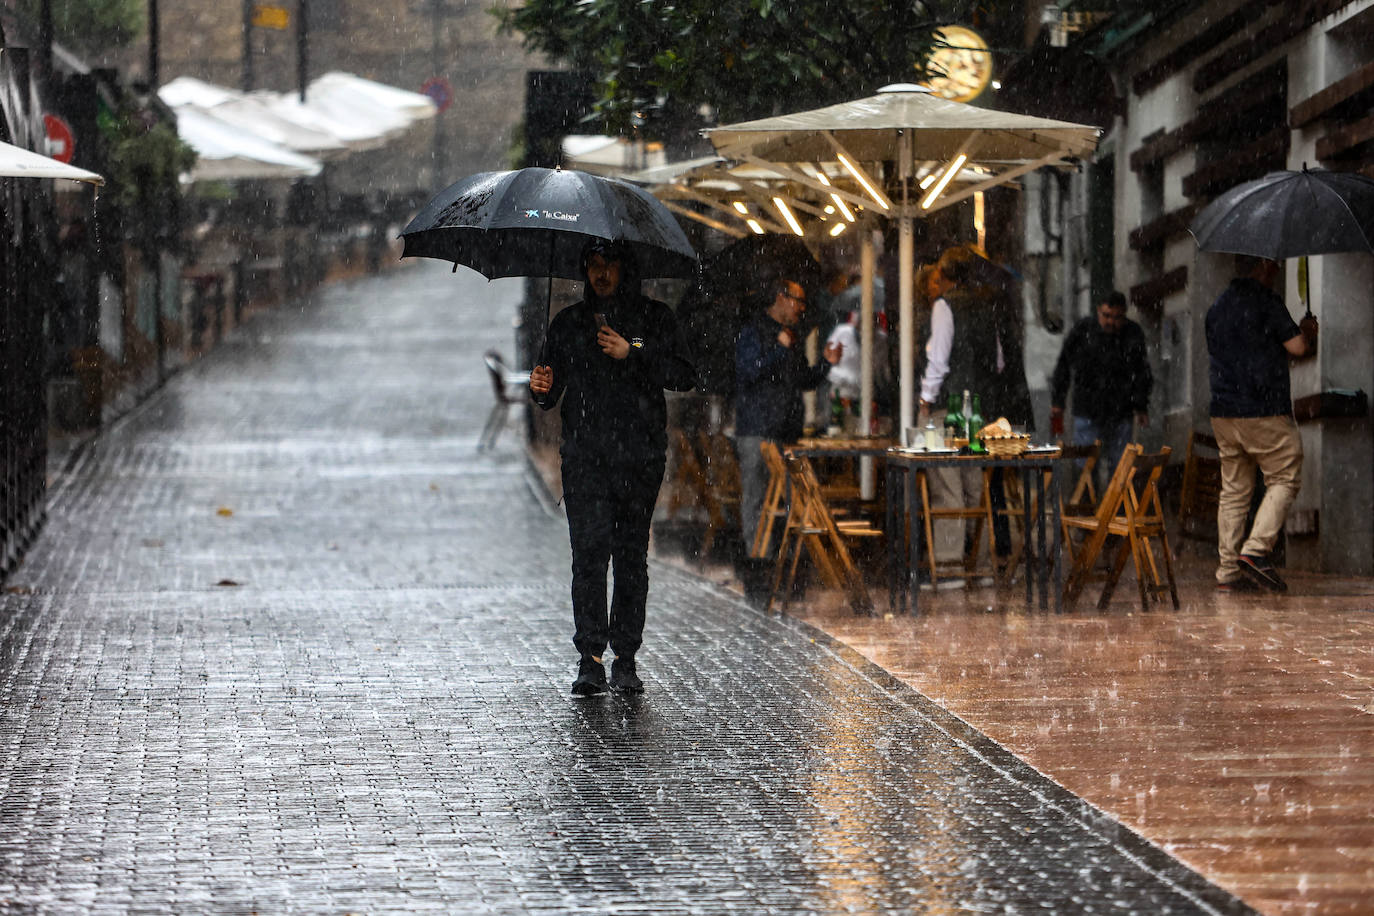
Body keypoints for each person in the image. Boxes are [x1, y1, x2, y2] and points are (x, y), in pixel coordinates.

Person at [529, 240, 696, 695]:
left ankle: (625, 657)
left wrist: (633, 349)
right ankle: (590, 656)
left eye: (610, 265)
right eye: (594, 265)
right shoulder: (568, 324)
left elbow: (683, 372)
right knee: (588, 557)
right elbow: (550, 391)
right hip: (584, 460)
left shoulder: (653, 318)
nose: (602, 274)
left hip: (638, 458)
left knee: (629, 557)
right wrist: (541, 388)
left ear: (626, 268)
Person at [1205, 255, 1317, 592]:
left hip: (1224, 411)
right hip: (1263, 408)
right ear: (1263, 265)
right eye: (1274, 264)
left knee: (1235, 491)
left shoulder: (1217, 307)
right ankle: (1256, 551)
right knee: (1285, 473)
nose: (1278, 269)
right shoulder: (1267, 302)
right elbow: (1297, 347)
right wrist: (1308, 331)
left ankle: (1227, 571)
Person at [734, 276, 842, 576]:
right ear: (780, 298)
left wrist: (825, 363)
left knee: (795, 498)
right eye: (797, 300)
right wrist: (779, 350)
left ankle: (791, 564)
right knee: (756, 499)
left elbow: (802, 380)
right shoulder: (753, 331)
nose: (801, 307)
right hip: (758, 430)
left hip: (787, 432)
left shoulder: (790, 336)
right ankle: (758, 563)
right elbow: (747, 374)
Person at [916, 247, 1003, 580]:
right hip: (980, 407)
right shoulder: (986, 305)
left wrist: (926, 399)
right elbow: (997, 361)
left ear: (948, 276)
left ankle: (951, 566)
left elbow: (939, 359)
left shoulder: (944, 306)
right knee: (973, 484)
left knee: (947, 484)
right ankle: (979, 565)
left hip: (951, 404)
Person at [1049, 290, 1153, 489]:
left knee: (1119, 466)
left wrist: (1140, 406)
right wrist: (1058, 402)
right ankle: (1087, 510)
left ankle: (1114, 514)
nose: (1111, 322)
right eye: (1106, 315)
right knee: (1087, 465)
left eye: (1116, 317)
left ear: (1124, 315)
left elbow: (1142, 372)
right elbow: (1063, 365)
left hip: (1119, 410)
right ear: (1098, 311)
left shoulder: (1131, 334)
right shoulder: (1084, 330)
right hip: (1089, 408)